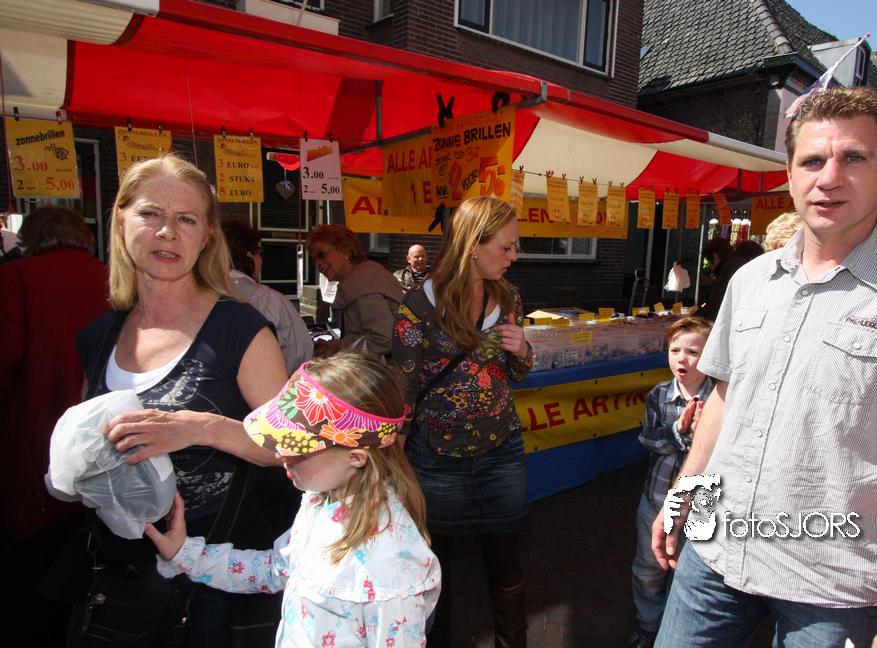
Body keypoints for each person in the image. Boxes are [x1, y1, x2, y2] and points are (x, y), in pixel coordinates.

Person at [651, 87, 877, 648]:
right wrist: (683, 497)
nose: (830, 178)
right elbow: (724, 398)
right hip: (714, 553)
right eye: (813, 160)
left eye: (854, 158)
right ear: (791, 174)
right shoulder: (751, 280)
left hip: (837, 589)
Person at [44, 154, 290, 647]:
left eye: (186, 219)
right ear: (120, 222)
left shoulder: (238, 329)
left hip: (214, 573)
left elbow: (292, 445)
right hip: (119, 569)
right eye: (150, 213)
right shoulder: (98, 335)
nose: (167, 232)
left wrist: (201, 428)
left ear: (207, 236)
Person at [145, 352, 441, 648]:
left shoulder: (388, 569)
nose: (281, 454)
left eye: (297, 446)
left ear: (356, 458)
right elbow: (277, 569)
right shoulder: (320, 501)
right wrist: (186, 554)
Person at [392, 195, 534, 648]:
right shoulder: (419, 305)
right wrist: (395, 454)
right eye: (506, 247)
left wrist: (523, 350)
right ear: (473, 245)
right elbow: (404, 388)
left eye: (515, 246)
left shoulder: (508, 297)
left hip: (501, 451)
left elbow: (516, 373)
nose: (514, 256)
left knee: (506, 565)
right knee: (436, 567)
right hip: (437, 457)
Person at [0, 205, 109, 646]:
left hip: (34, 434)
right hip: (102, 440)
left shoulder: (17, 277)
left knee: (31, 577)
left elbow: (5, 361)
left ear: (31, 238)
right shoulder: (110, 277)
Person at [629, 317, 714, 648]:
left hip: (700, 509)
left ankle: (676, 629)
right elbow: (648, 440)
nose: (682, 358)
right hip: (656, 500)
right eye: (675, 350)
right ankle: (648, 623)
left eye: (693, 351)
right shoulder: (660, 394)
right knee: (648, 569)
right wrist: (678, 432)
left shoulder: (720, 399)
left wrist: (702, 434)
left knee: (689, 573)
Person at [222, 219, 313, 374]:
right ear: (250, 254)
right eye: (259, 253)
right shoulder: (272, 301)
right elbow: (299, 355)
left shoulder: (195, 294)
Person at [307, 224, 403, 357]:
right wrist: (337, 345)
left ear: (347, 251)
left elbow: (384, 339)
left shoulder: (363, 283)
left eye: (322, 254)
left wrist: (343, 348)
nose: (317, 262)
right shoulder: (362, 277)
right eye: (314, 259)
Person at [694, 237, 747, 322]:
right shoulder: (737, 263)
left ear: (715, 257)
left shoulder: (730, 268)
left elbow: (715, 303)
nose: (710, 266)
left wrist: (693, 319)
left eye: (708, 261)